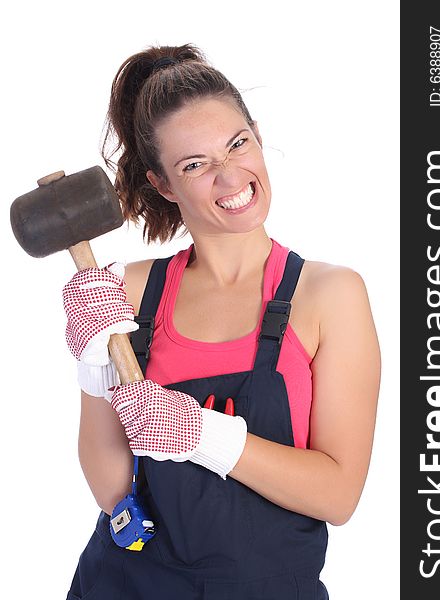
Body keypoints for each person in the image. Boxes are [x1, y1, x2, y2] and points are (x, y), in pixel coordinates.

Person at [62, 43, 381, 600]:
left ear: (257, 134)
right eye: (195, 164)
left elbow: (339, 495)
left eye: (237, 143)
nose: (230, 175)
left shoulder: (330, 295)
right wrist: (95, 372)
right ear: (163, 184)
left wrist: (202, 434)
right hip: (126, 584)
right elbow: (112, 484)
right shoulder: (130, 291)